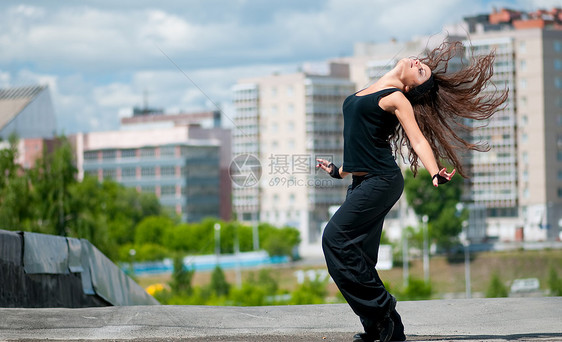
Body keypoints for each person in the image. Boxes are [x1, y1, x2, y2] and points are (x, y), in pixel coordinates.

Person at [316, 40, 508, 342]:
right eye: (421, 65)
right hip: (361, 182)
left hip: (382, 181)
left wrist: (434, 171)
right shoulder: (369, 90)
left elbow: (417, 140)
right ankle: (385, 328)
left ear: (409, 89)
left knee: (334, 239)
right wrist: (338, 171)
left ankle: (382, 309)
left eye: (421, 72)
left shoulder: (396, 98)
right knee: (359, 258)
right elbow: (361, 143)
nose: (419, 64)